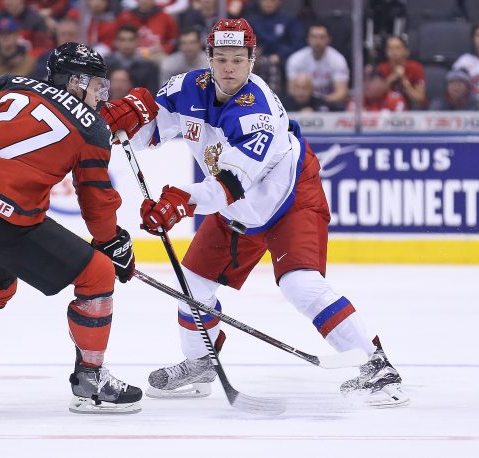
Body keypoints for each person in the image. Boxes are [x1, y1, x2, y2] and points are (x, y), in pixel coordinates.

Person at [100, 19, 409, 407]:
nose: (229, 68)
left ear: (252, 60)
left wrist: (179, 202)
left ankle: (376, 365)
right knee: (192, 285)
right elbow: (153, 130)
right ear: (209, 58)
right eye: (221, 59)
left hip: (288, 200)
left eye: (238, 59)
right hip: (236, 210)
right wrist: (128, 122)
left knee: (300, 285)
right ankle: (201, 362)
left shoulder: (256, 112)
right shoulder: (186, 87)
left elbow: (229, 186)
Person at [0, 42, 145, 415]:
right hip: (0, 217)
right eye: (95, 86)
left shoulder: (7, 83)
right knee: (98, 274)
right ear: (75, 81)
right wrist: (112, 242)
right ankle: (91, 379)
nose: (98, 96)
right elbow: (95, 199)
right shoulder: (91, 127)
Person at [285, 23, 350, 110]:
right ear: (308, 39)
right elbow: (292, 90)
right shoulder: (296, 59)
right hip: (301, 103)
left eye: (322, 37)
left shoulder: (338, 60)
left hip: (328, 103)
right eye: (314, 37)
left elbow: (341, 92)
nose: (318, 41)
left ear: (329, 39)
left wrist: (318, 103)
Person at [376, 35, 426, 110]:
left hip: (411, 107)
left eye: (398, 48)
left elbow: (419, 98)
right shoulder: (381, 69)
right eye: (390, 48)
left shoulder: (416, 68)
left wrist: (403, 80)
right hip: (388, 107)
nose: (394, 52)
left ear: (406, 51)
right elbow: (376, 96)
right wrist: (392, 77)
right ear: (386, 52)